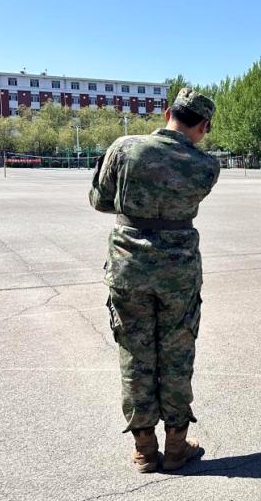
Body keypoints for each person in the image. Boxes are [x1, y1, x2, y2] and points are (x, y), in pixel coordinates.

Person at [89, 87, 220, 472]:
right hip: (178, 272)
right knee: (178, 355)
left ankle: (145, 450)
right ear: (204, 126)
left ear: (167, 114)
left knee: (135, 354)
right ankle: (177, 446)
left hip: (129, 266)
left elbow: (99, 200)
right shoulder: (206, 166)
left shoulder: (125, 148)